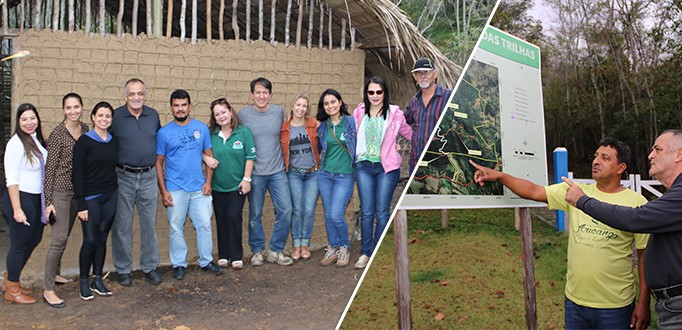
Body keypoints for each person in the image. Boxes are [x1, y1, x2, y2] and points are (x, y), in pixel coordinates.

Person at [471, 137, 650, 330]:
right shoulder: (575, 192)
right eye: (596, 155)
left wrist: (643, 302)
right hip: (574, 303)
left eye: (605, 158)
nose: (596, 161)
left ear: (621, 167)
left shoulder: (636, 203)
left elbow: (645, 257)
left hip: (616, 307)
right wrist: (500, 176)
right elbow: (533, 191)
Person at [563, 130, 682, 329]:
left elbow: (634, 218)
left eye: (657, 149)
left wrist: (581, 201)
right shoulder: (673, 195)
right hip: (670, 305)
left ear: (679, 154)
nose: (650, 155)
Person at [156, 89, 222, 280]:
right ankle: (178, 264)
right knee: (176, 227)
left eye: (183, 105)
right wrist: (164, 191)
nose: (180, 109)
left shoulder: (201, 129)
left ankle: (206, 261)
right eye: (176, 105)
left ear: (189, 106)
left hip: (199, 188)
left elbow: (209, 158)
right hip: (175, 188)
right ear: (171, 108)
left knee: (204, 225)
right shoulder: (164, 133)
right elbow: (158, 163)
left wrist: (208, 182)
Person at [352, 76, 412, 269]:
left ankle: (377, 253)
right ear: (366, 93)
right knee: (367, 212)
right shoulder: (359, 112)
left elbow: (410, 133)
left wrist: (401, 146)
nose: (375, 96)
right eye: (371, 92)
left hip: (387, 168)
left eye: (379, 92)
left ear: (384, 93)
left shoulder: (395, 113)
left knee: (382, 211)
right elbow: (351, 135)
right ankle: (365, 253)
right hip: (364, 167)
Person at [109, 78, 162, 286]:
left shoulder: (153, 115)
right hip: (124, 177)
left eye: (140, 93)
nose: (136, 97)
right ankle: (123, 269)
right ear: (125, 97)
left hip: (148, 176)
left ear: (145, 95)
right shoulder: (116, 116)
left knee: (148, 224)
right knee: (122, 225)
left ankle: (150, 267)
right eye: (132, 94)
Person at [237, 77, 293, 266]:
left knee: (286, 210)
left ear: (270, 95)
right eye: (258, 92)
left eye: (265, 93)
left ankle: (275, 250)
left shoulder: (278, 112)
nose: (261, 96)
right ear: (252, 95)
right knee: (255, 214)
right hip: (255, 174)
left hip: (277, 171)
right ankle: (258, 251)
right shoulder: (243, 115)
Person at [42, 93, 89, 307]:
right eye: (69, 107)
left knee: (66, 233)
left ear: (81, 107)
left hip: (78, 193)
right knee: (58, 239)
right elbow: (49, 170)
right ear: (63, 110)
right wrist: (48, 201)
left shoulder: (86, 129)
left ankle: (58, 273)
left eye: (76, 106)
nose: (73, 111)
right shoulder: (58, 134)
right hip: (60, 192)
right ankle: (48, 288)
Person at [72, 102, 119, 301]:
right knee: (90, 240)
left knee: (101, 239)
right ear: (93, 117)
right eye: (100, 115)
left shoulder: (113, 141)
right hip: (91, 198)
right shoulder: (84, 142)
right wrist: (81, 204)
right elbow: (77, 175)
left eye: (108, 116)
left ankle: (97, 279)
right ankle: (84, 281)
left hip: (110, 195)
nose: (104, 119)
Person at [1, 103, 48, 305]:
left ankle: (10, 280)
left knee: (34, 239)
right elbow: (11, 179)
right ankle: (12, 289)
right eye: (24, 119)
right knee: (20, 244)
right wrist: (17, 209)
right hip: (20, 198)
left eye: (32, 118)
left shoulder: (36, 140)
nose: (29, 123)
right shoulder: (16, 144)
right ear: (18, 122)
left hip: (36, 199)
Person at [208, 98, 255, 270]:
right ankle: (223, 255)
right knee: (221, 218)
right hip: (217, 185)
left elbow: (250, 157)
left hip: (237, 185)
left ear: (230, 111)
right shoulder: (211, 134)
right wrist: (205, 157)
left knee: (234, 216)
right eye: (217, 114)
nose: (221, 116)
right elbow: (197, 150)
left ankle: (236, 255)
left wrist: (246, 179)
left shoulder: (243, 132)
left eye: (223, 112)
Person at [316, 89, 356, 267]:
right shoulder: (323, 126)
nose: (330, 106)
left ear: (340, 102)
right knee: (328, 214)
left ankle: (344, 247)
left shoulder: (350, 122)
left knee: (336, 214)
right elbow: (320, 149)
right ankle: (333, 247)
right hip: (325, 175)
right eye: (326, 103)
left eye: (333, 102)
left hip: (344, 175)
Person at [280, 92, 320, 261]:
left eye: (304, 106)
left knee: (309, 210)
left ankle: (305, 244)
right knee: (297, 210)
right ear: (292, 106)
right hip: (294, 173)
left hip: (313, 173)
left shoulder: (313, 125)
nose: (301, 109)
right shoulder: (284, 129)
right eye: (298, 105)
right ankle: (296, 245)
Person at [405, 58, 453, 173]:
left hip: (441, 164)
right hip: (417, 163)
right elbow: (403, 122)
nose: (422, 76)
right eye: (418, 73)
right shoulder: (414, 102)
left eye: (426, 72)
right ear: (414, 76)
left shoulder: (448, 97)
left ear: (435, 74)